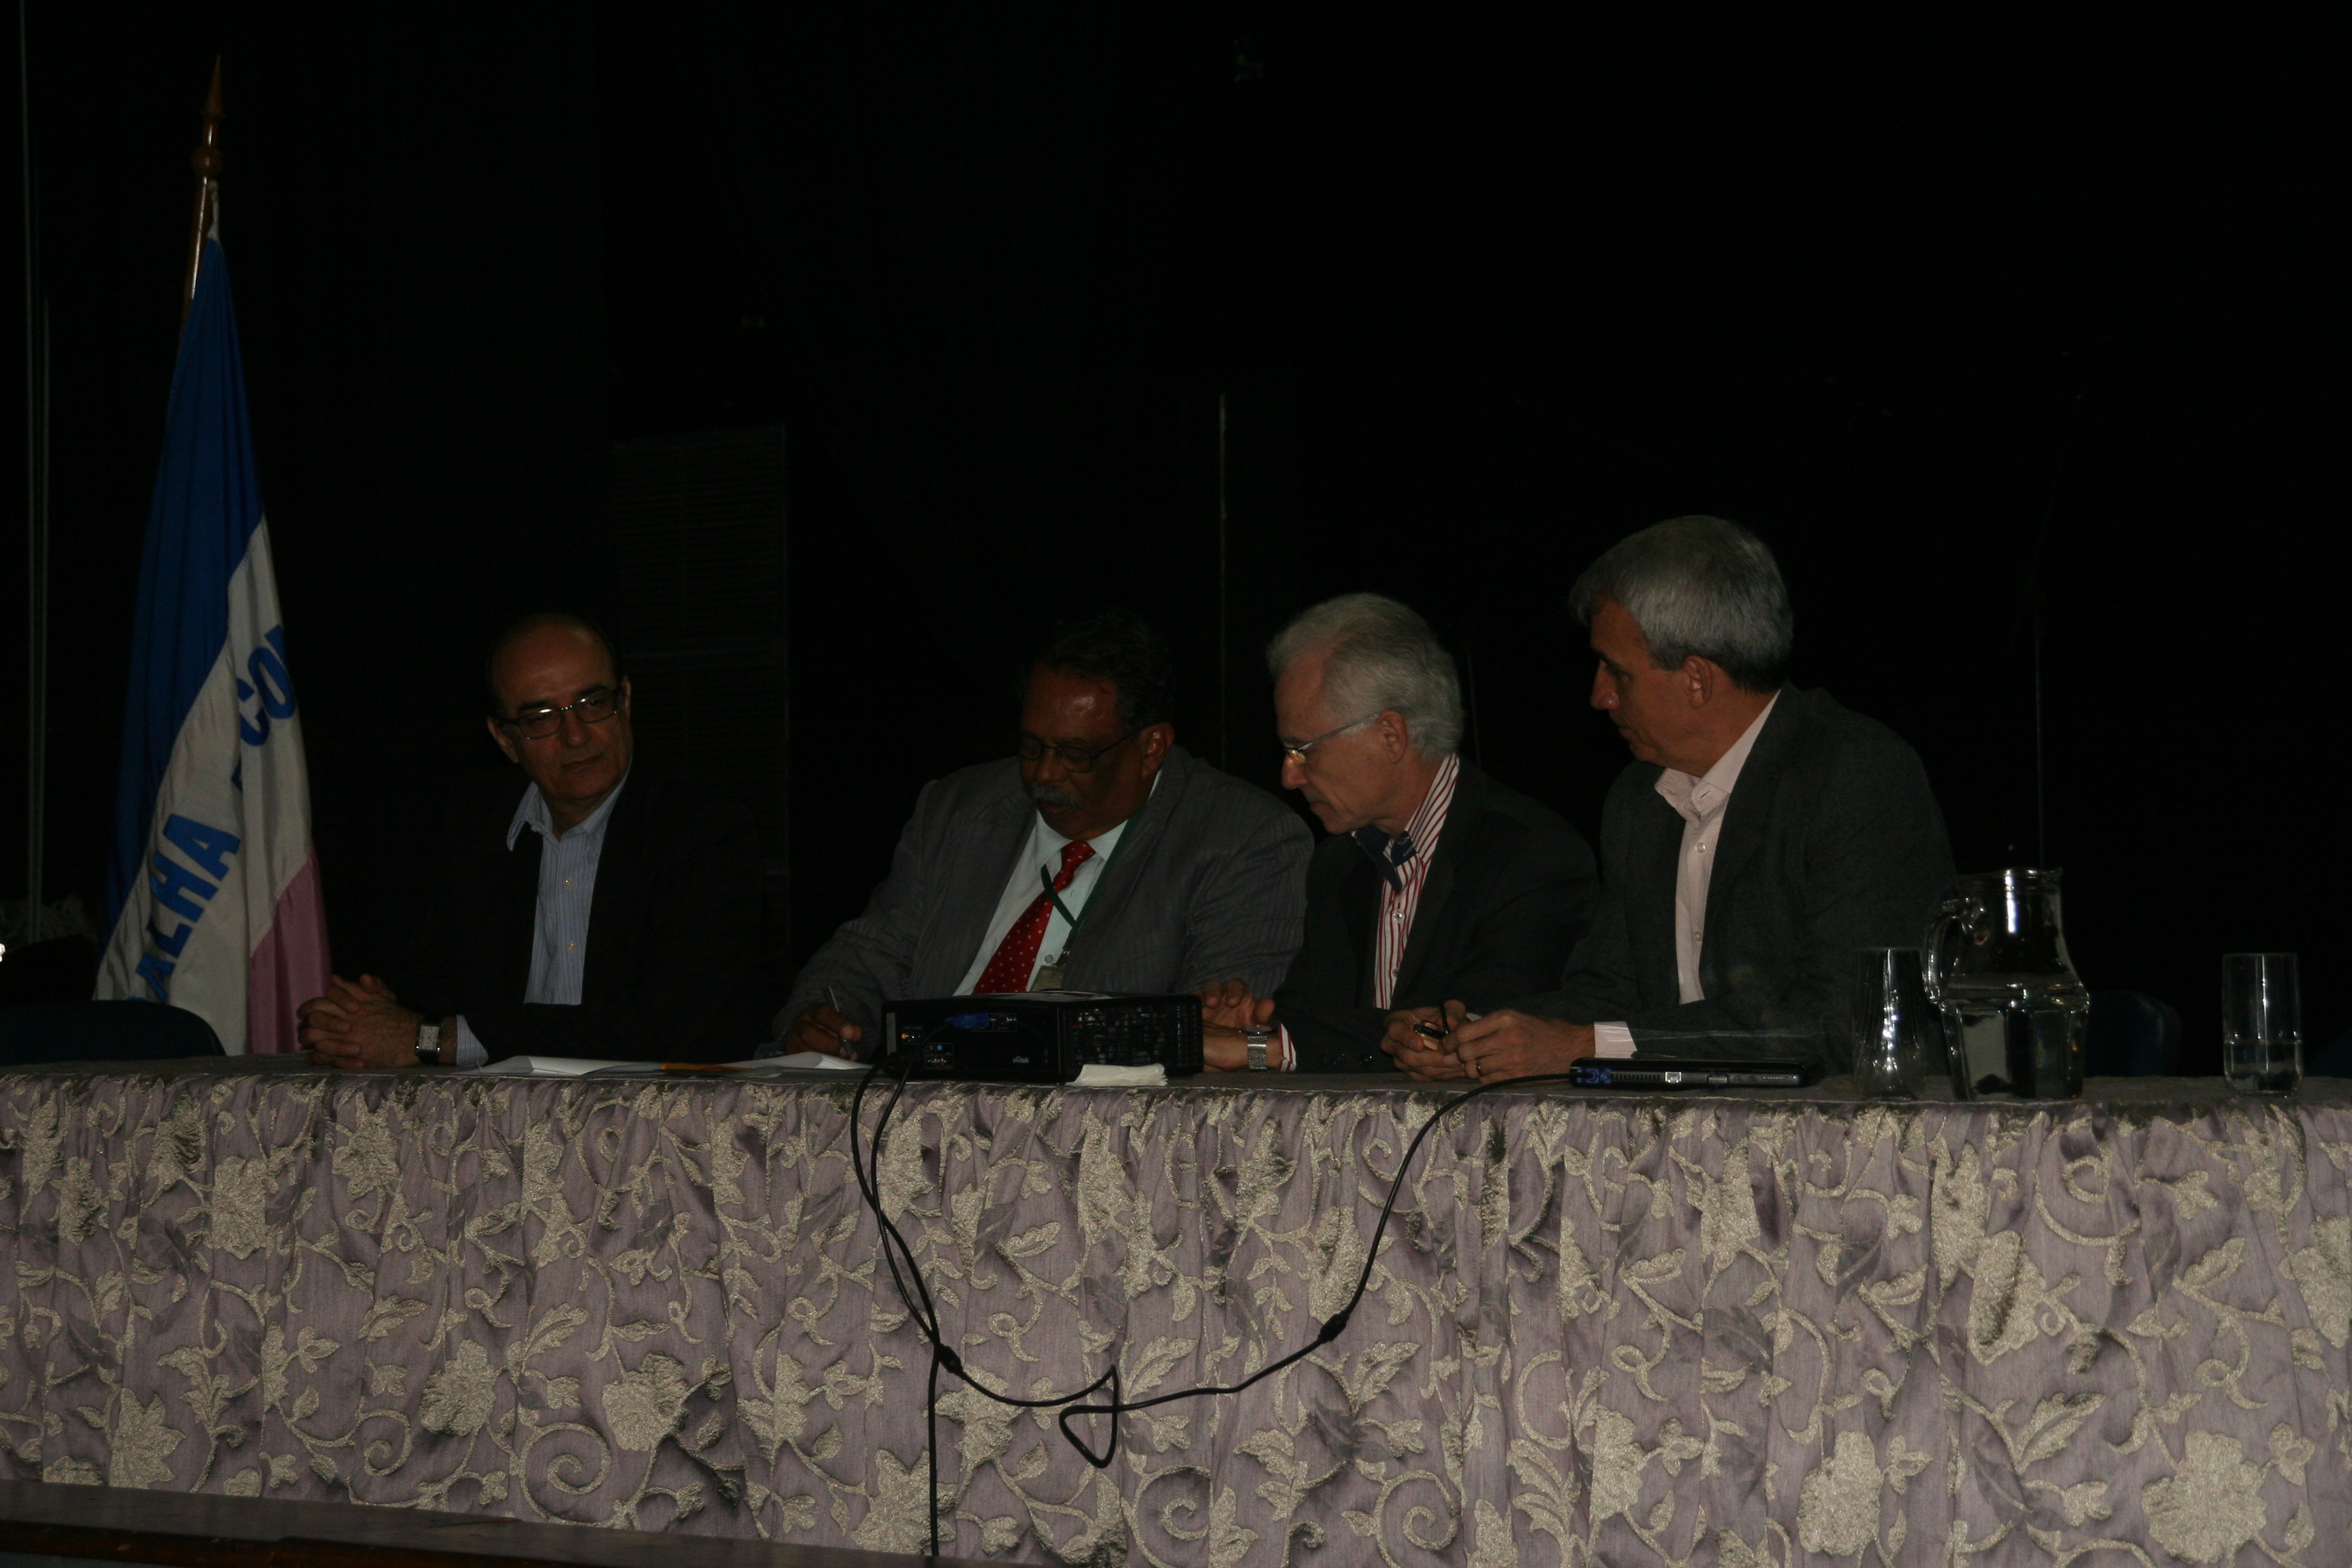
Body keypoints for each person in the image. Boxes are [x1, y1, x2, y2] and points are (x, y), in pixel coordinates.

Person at [1433, 516, 1955, 1083]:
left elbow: (1849, 1020)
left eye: (1617, 672)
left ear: (1697, 680)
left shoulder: (1854, 774)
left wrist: (1591, 1045)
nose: (1599, 696)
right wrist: (1472, 1035)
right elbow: (1607, 993)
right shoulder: (1639, 798)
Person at [770, 608, 1311, 1060]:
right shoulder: (959, 809)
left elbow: (1219, 1024)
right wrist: (822, 1017)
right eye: (1031, 746)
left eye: (1076, 754)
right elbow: (869, 953)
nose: (1044, 774)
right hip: (914, 1100)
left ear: (1151, 748)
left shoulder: (1244, 838)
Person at [299, 612, 765, 1068]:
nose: (576, 736)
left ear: (625, 700)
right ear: (505, 739)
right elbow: (434, 982)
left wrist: (434, 1039)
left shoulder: (702, 824)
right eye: (541, 717)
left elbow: (659, 1025)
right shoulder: (479, 824)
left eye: (593, 703)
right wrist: (366, 1020)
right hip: (501, 1112)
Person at [1195, 594, 1593, 1073]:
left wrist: (1270, 1048)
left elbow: (1464, 1037)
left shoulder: (1533, 856)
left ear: (1391, 734)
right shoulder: (1339, 861)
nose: (1289, 776)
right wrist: (1250, 1028)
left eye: (1303, 750)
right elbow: (1315, 1022)